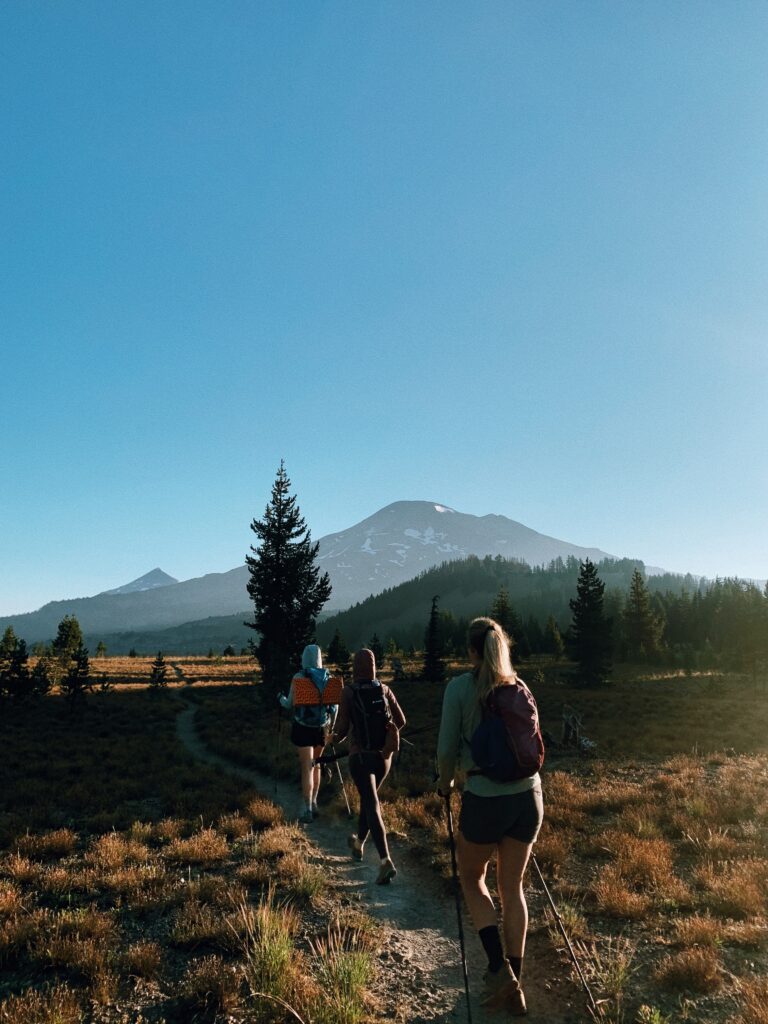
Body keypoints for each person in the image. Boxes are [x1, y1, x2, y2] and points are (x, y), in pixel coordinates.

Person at [436, 617, 544, 1017]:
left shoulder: (460, 689)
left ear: (471, 651)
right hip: (529, 797)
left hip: (484, 798)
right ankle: (513, 982)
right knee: (512, 887)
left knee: (471, 877)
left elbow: (447, 750)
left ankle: (501, 973)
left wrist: (443, 783)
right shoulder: (521, 687)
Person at [331, 648, 406, 885]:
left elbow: (342, 729)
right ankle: (359, 843)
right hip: (383, 757)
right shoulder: (384, 689)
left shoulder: (349, 692)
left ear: (355, 667)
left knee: (371, 803)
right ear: (373, 666)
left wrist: (332, 738)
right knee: (369, 799)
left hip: (360, 757)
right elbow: (401, 720)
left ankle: (385, 861)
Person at [279, 644, 337, 824]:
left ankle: (307, 809)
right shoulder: (328, 678)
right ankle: (315, 802)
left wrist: (280, 698)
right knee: (317, 765)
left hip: (303, 727)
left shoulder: (298, 677)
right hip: (322, 728)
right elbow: (334, 708)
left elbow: (289, 704)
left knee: (307, 767)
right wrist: (331, 730)